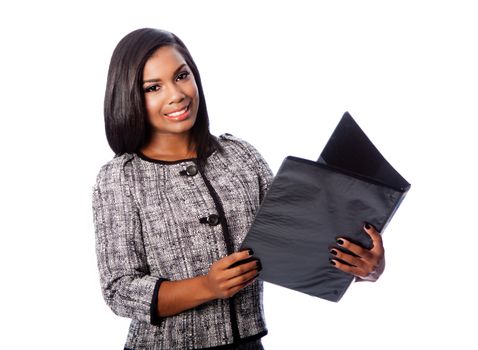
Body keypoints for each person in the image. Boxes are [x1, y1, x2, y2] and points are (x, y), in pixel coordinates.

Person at [92, 28, 385, 350]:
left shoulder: (240, 155)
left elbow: (293, 246)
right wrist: (206, 286)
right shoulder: (120, 177)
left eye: (181, 76)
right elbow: (119, 291)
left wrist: (362, 269)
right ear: (130, 96)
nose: (175, 94)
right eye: (153, 87)